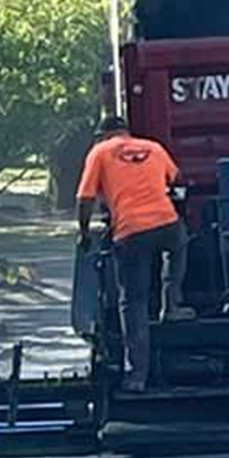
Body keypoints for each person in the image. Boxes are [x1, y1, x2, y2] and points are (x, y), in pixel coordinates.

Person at [77, 116, 186, 393]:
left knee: (133, 303)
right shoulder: (154, 147)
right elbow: (176, 179)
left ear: (104, 135)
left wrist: (84, 231)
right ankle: (171, 304)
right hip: (166, 224)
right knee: (179, 244)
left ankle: (136, 375)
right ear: (126, 132)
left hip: (130, 232)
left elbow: (85, 197)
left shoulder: (99, 152)